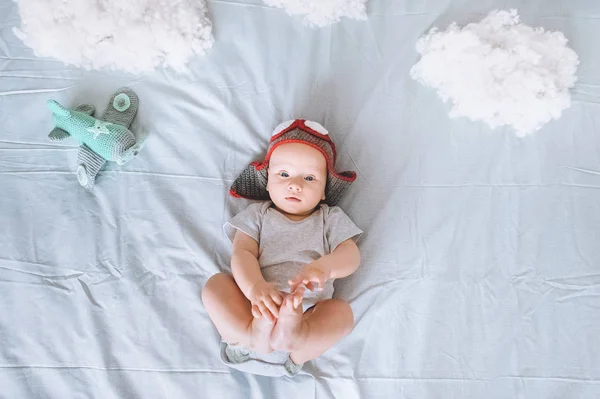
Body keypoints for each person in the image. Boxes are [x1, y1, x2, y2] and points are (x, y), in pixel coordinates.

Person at [202, 119, 362, 377]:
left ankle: (298, 340)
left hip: (307, 310)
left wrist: (325, 267)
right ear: (267, 183)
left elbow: (351, 256)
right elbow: (242, 254)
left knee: (341, 314)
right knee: (215, 285)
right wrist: (255, 288)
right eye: (284, 174)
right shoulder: (258, 215)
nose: (295, 184)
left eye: (309, 177)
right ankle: (248, 335)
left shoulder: (330, 219)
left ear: (324, 191)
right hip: (253, 304)